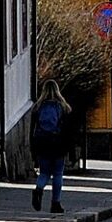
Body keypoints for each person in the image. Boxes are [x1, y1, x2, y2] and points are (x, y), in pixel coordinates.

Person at [29, 81, 72, 214]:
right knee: (58, 174)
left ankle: (38, 189)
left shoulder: (37, 107)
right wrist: (67, 147)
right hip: (57, 144)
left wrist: (33, 148)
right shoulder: (63, 107)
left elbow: (32, 130)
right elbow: (67, 130)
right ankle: (55, 204)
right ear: (57, 90)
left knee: (44, 172)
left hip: (42, 143)